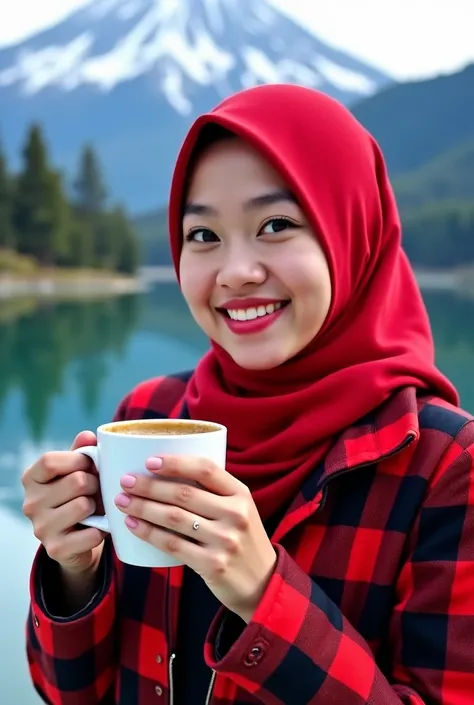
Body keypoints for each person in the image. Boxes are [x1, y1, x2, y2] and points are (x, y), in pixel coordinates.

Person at [22, 83, 474, 705]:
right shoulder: (149, 417)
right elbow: (68, 693)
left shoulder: (446, 465)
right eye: (202, 235)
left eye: (276, 225)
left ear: (352, 233)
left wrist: (266, 595)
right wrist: (74, 571)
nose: (235, 271)